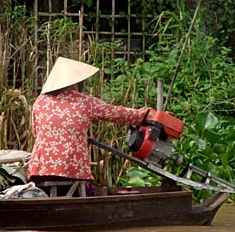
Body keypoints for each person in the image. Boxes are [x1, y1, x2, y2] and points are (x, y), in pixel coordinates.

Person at [27, 57, 149, 195]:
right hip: (71, 171)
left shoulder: (40, 101)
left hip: (40, 170)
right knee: (86, 190)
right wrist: (143, 114)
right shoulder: (85, 102)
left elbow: (36, 132)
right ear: (75, 83)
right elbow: (117, 114)